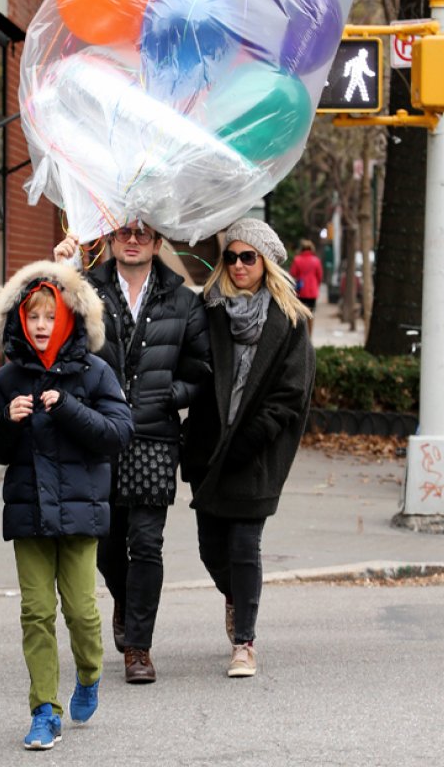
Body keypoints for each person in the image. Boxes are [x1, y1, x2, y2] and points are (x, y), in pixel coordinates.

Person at [0, 260, 134, 750]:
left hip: (82, 510)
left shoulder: (94, 371)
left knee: (83, 613)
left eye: (50, 317)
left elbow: (118, 434)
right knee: (36, 612)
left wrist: (67, 408)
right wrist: (8, 420)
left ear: (68, 320)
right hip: (29, 512)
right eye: (32, 317)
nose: (41, 326)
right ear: (20, 321)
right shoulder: (8, 378)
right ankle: (44, 709)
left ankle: (88, 674)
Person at [54, 223, 210, 684]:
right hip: (98, 433)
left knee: (145, 543)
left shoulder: (183, 301)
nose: (134, 239)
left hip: (155, 437)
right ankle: (125, 599)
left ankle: (139, 647)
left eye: (144, 232)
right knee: (104, 543)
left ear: (158, 242)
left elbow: (201, 368)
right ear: (112, 238)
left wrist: (169, 394)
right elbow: (53, 337)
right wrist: (62, 273)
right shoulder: (85, 289)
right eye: (125, 231)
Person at [182, 218, 315, 679]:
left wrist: (249, 439)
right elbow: (191, 373)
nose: (238, 265)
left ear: (266, 263)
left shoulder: (290, 320)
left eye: (248, 257)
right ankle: (236, 596)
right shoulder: (207, 311)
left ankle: (245, 643)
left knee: (244, 545)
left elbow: (290, 395)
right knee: (210, 549)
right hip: (206, 452)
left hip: (255, 455)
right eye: (231, 257)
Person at [290, 239, 323, 336]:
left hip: (301, 291)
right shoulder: (316, 260)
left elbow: (293, 273)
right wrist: (316, 285)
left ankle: (301, 336)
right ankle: (310, 336)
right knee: (311, 314)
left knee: (300, 314)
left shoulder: (297, 259)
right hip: (312, 291)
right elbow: (320, 276)